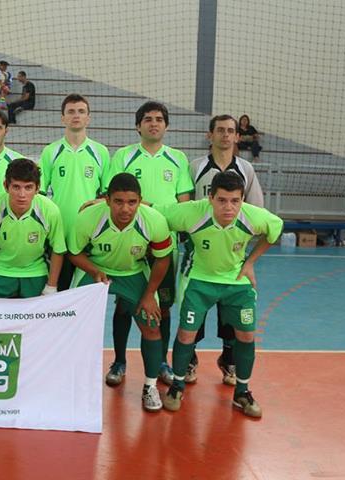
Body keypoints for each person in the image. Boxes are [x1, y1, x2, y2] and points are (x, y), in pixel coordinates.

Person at [156, 171, 282, 418]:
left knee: (246, 336)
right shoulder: (192, 212)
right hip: (199, 281)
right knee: (186, 334)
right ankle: (177, 386)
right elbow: (155, 212)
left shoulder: (252, 216)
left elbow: (275, 229)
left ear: (242, 199)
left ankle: (242, 393)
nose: (229, 207)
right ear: (210, 197)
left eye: (235, 201)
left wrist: (250, 262)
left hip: (236, 282)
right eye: (222, 200)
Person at [106, 101, 194, 387]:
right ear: (138, 126)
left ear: (166, 126)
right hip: (129, 241)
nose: (153, 123)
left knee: (163, 307)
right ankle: (119, 361)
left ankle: (161, 363)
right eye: (147, 119)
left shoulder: (178, 158)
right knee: (124, 304)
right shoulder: (123, 156)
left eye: (159, 119)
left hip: (163, 246)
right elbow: (117, 195)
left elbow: (184, 202)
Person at [68, 172, 173, 411]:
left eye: (132, 202)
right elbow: (74, 253)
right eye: (118, 202)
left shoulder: (153, 221)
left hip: (133, 272)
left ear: (140, 200)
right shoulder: (88, 219)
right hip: (97, 269)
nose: (125, 209)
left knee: (151, 323)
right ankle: (74, 383)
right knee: (72, 322)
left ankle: (150, 386)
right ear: (107, 200)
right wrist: (94, 271)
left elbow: (162, 259)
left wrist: (148, 295)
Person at [185, 114, 265, 385]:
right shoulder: (195, 167)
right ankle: (190, 359)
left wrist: (244, 252)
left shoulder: (246, 170)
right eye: (220, 130)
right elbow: (185, 208)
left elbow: (256, 213)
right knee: (195, 306)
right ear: (210, 135)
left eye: (231, 130)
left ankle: (229, 359)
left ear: (237, 136)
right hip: (200, 252)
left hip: (233, 254)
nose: (226, 135)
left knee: (231, 310)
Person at [39, 94, 110, 289]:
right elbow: (40, 195)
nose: (76, 115)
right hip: (57, 233)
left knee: (84, 295)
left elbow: (106, 196)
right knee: (56, 292)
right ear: (63, 118)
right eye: (70, 111)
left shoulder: (101, 152)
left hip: (88, 235)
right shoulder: (50, 151)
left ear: (88, 117)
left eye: (81, 111)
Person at [0, 158, 65, 298]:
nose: (22, 195)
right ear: (6, 186)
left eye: (28, 187)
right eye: (16, 187)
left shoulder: (50, 211)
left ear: (38, 188)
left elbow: (58, 250)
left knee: (36, 319)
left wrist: (51, 285)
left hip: (35, 270)